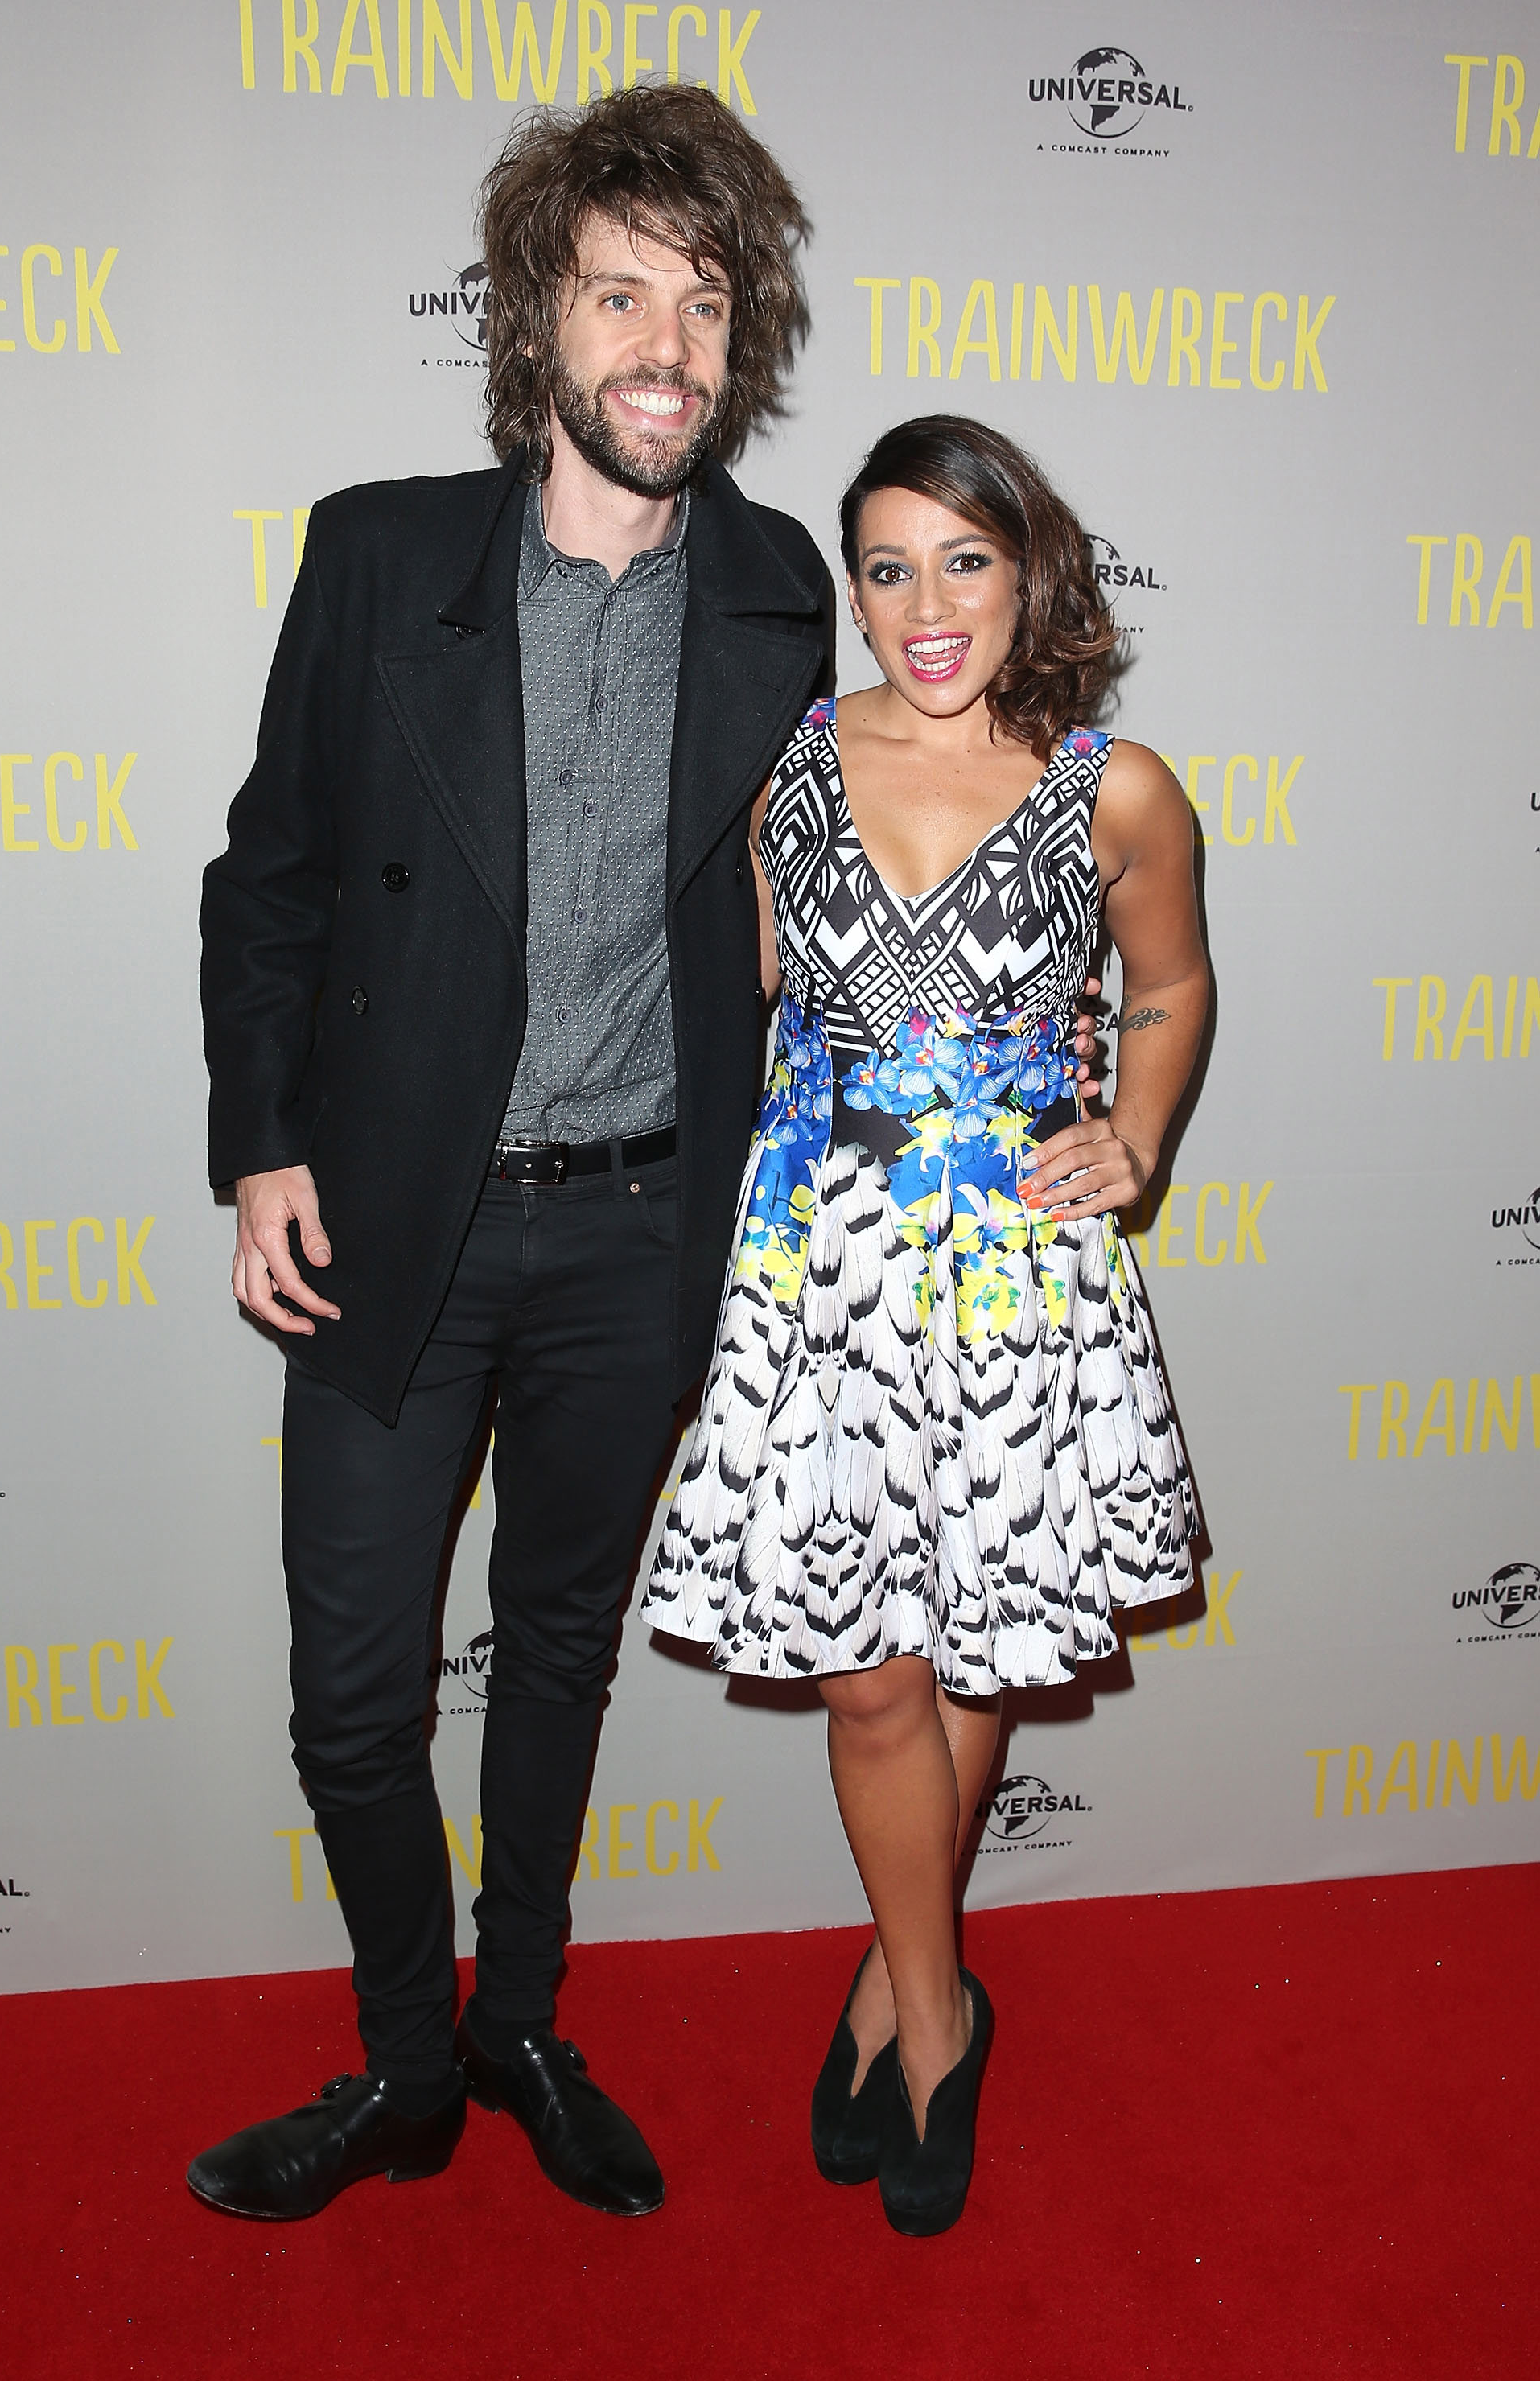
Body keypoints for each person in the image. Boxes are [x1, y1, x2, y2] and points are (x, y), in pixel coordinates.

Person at [189, 85, 831, 2224]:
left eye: (704, 301)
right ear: (537, 324)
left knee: (558, 1652)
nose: (665, 342)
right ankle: (402, 2065)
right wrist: (261, 1144)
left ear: (742, 343)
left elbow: (811, 897)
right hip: (394, 1220)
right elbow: (268, 873)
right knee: (353, 1694)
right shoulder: (379, 555)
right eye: (619, 291)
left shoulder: (775, 588)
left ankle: (522, 2020)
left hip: (643, 1225)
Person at [642, 414, 1207, 2236]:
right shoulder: (781, 762)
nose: (924, 606)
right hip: (817, 1264)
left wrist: (1137, 1126)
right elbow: (718, 1002)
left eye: (961, 559)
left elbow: (1174, 983)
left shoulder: (1115, 787)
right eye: (885, 568)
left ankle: (905, 1990)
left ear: (1029, 567)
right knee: (869, 1669)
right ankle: (941, 1997)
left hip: (1016, 1283)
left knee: (971, 1659)